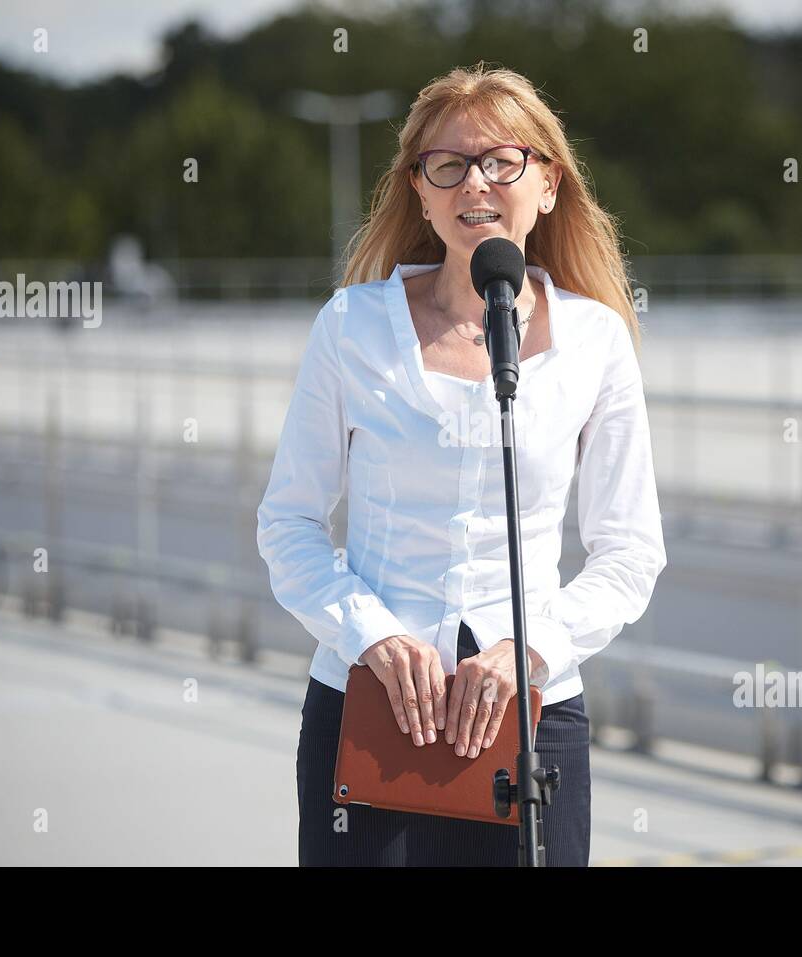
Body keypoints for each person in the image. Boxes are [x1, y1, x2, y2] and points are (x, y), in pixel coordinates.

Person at [256, 61, 667, 866]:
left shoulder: (596, 341)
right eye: (447, 165)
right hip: (367, 722)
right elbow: (288, 524)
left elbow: (630, 552)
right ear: (421, 190)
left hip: (533, 723)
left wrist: (532, 647)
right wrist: (372, 635)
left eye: (500, 160)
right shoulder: (351, 327)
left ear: (547, 182)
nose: (474, 181)